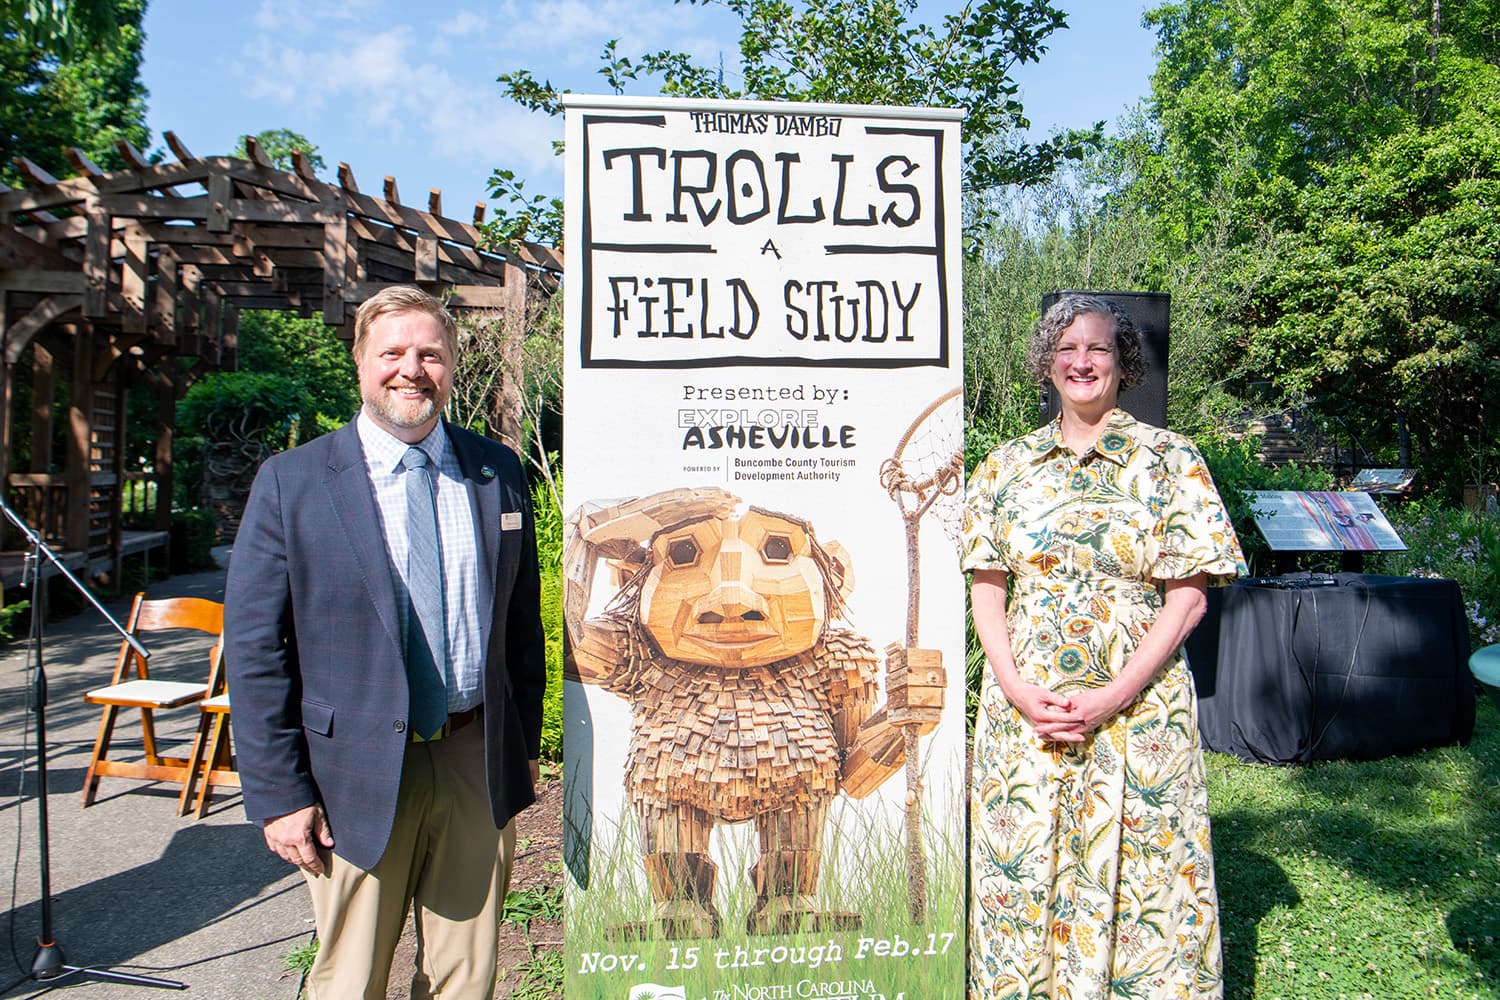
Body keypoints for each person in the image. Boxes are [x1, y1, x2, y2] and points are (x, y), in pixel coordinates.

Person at [225, 285, 547, 999]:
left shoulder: (495, 473)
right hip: (354, 773)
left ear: (452, 366)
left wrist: (520, 740)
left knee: (467, 977)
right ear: (360, 363)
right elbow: (254, 652)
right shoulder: (294, 482)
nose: (412, 369)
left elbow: (521, 625)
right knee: (351, 979)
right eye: (392, 352)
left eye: (429, 353)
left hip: (472, 757)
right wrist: (280, 793)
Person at [963, 294, 1245, 999]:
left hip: (1138, 711)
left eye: (1097, 348)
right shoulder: (1006, 467)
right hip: (1026, 714)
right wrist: (1017, 689)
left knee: (1143, 869)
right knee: (1022, 865)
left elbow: (1189, 597)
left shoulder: (1171, 460)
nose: (1081, 361)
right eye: (1067, 348)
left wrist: (1113, 696)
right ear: (1046, 363)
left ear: (1123, 363)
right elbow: (988, 590)